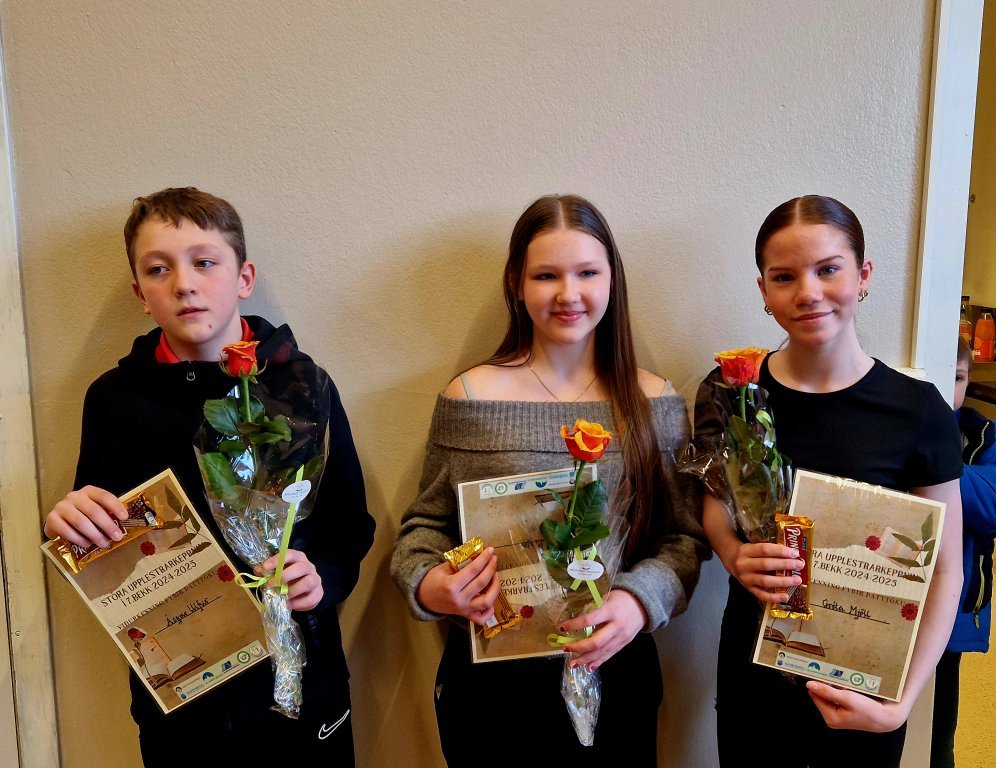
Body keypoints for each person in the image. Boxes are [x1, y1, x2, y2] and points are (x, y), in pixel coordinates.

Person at [44, 187, 374, 766]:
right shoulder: (114, 400)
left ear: (243, 278)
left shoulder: (303, 387)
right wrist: (72, 523)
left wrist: (321, 578)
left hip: (305, 676)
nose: (184, 284)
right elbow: (102, 545)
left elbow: (349, 523)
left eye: (204, 262)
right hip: (182, 693)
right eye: (158, 269)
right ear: (140, 294)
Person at [390, 194, 708, 766]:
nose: (568, 294)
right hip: (492, 684)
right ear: (516, 283)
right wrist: (430, 585)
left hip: (616, 666)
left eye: (587, 273)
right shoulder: (470, 397)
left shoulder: (655, 403)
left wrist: (639, 602)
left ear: (612, 281)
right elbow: (424, 527)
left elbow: (684, 539)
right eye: (546, 276)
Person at [695, 195, 964, 767]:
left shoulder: (918, 411)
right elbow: (715, 504)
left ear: (863, 276)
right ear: (763, 291)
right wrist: (733, 555)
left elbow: (945, 569)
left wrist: (901, 703)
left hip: (863, 681)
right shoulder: (730, 391)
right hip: (753, 666)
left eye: (828, 270)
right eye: (784, 277)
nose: (808, 292)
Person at [930, 337, 996, 767]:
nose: (947, 388)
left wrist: (930, 464)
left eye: (957, 378)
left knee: (937, 730)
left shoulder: (984, 437)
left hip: (953, 612)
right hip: (888, 594)